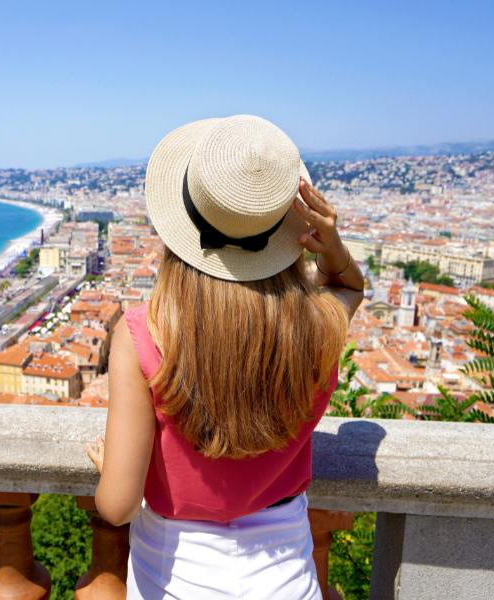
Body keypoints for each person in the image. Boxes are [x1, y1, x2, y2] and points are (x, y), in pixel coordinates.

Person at [85, 115, 365, 599]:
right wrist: (333, 249)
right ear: (283, 234)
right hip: (287, 577)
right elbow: (348, 288)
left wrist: (113, 466)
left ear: (182, 229)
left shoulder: (141, 336)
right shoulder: (318, 328)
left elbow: (117, 507)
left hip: (174, 576)